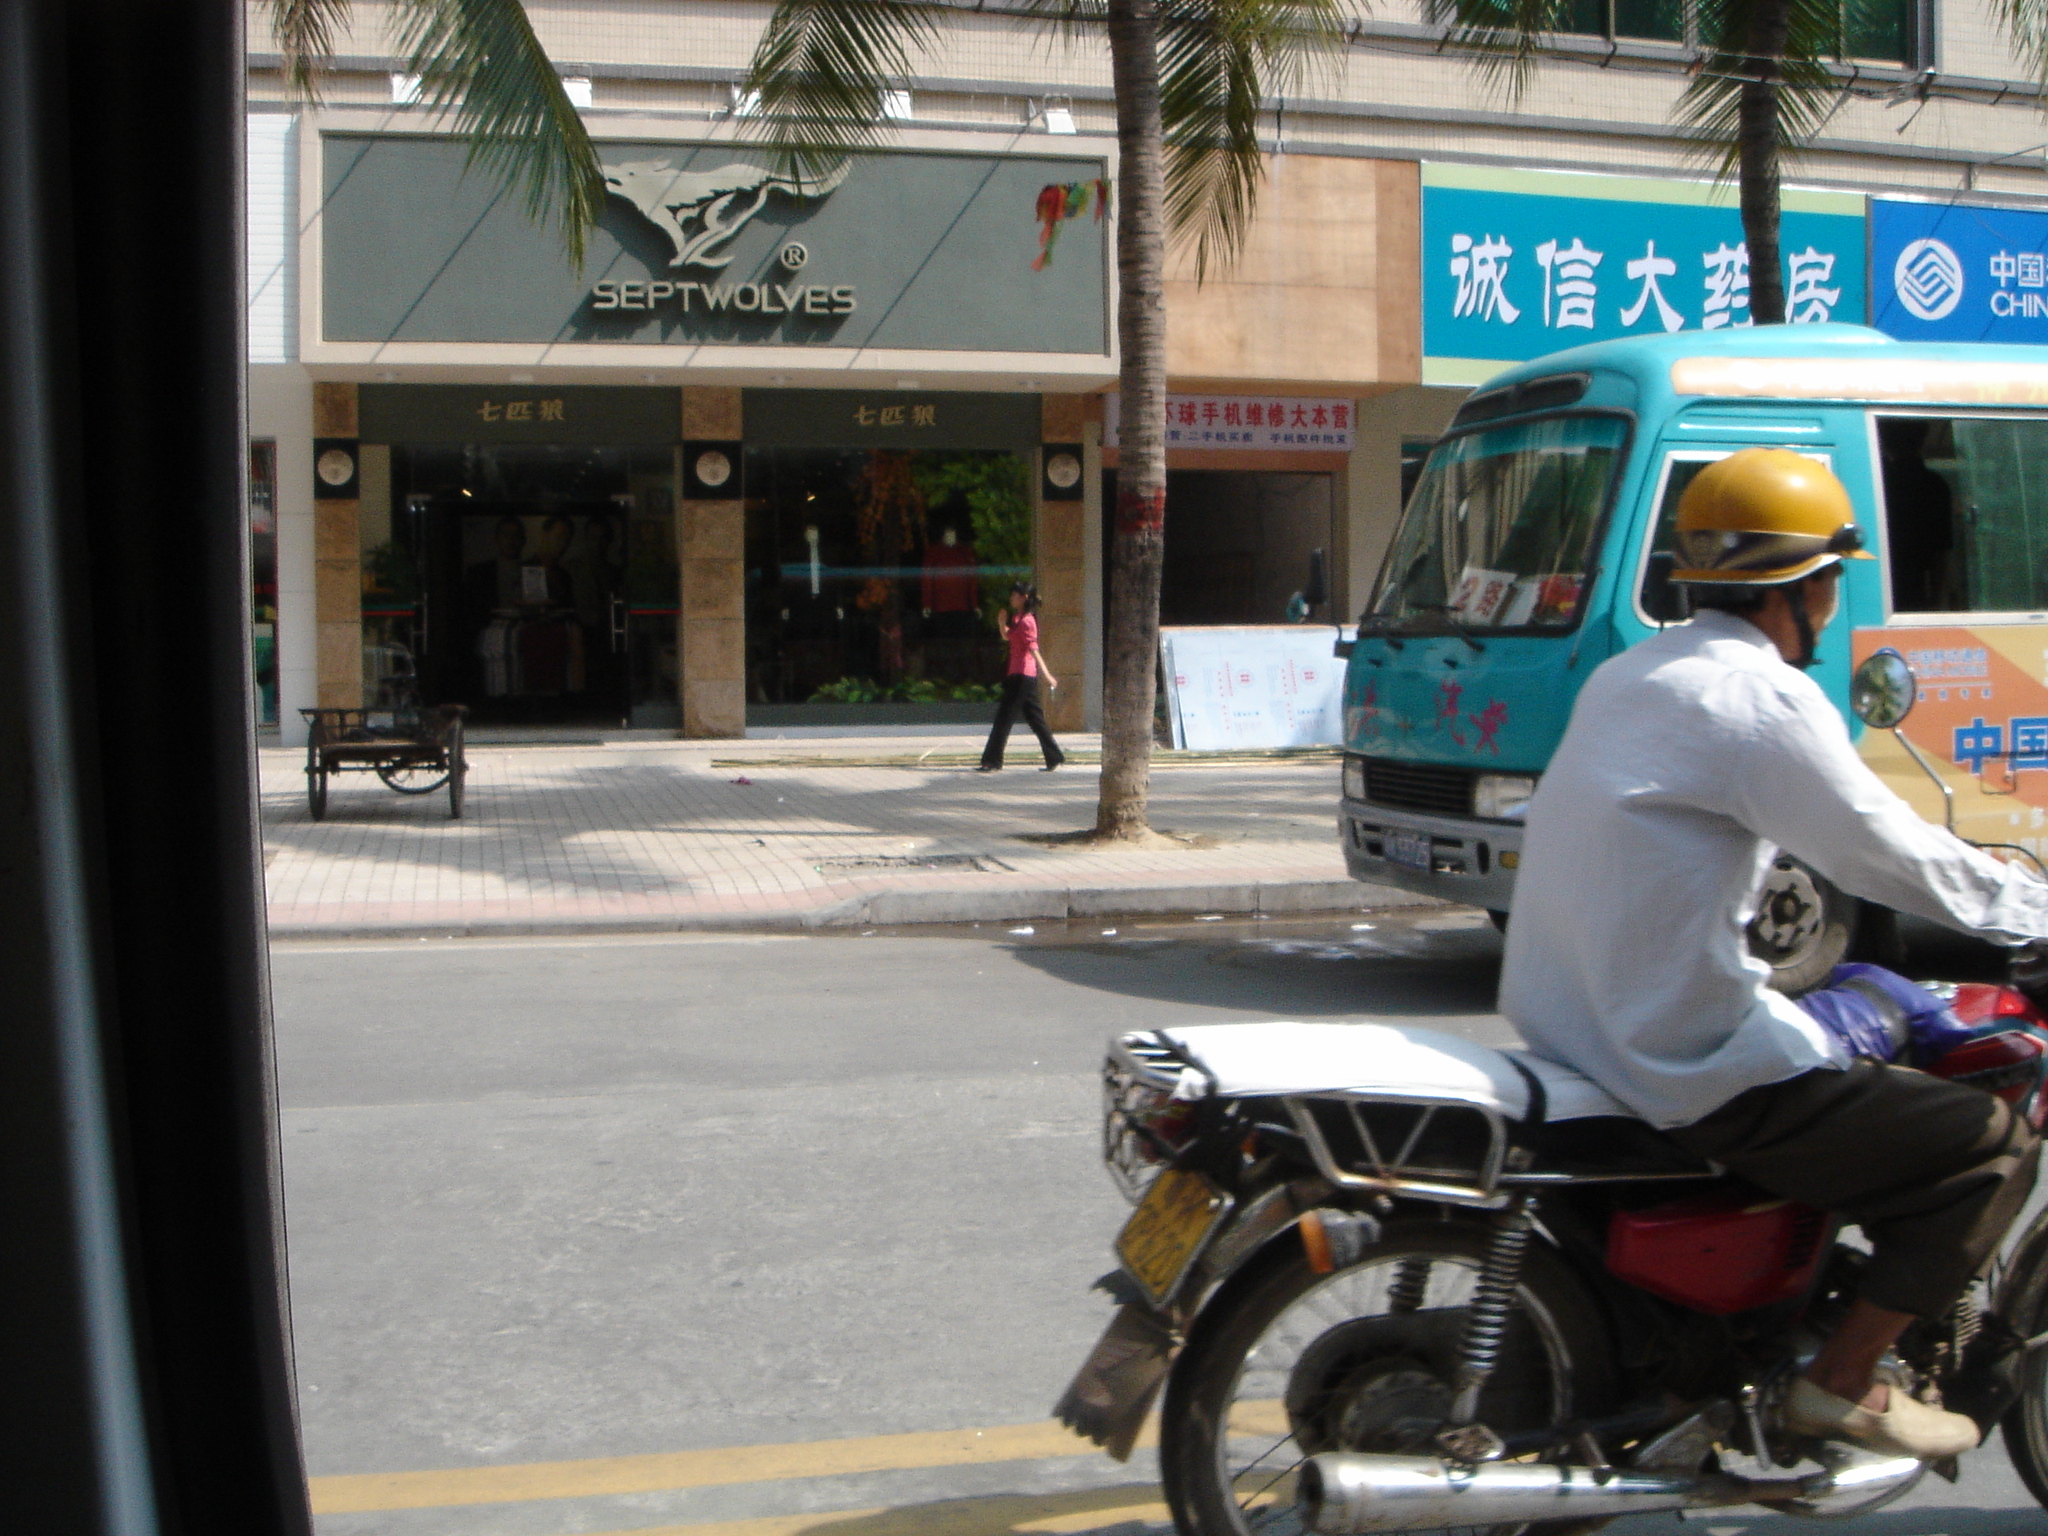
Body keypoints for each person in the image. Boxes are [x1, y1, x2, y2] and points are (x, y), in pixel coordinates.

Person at [1500, 447, 2048, 1460]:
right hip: (1678, 1055)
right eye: (1831, 579)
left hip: (1569, 1027)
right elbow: (1877, 849)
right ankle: (1841, 1382)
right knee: (1985, 1147)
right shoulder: (1758, 698)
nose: (1832, 604)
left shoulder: (1631, 674)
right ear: (1798, 586)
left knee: (1855, 1015)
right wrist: (2029, 907)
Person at [978, 581, 1064, 772]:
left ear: (1024, 598)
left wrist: (1047, 675)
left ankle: (992, 760)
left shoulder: (1027, 621)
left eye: (1014, 595)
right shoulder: (1018, 618)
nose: (1011, 598)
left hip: (1022, 675)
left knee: (1004, 718)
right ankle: (1054, 757)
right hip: (1017, 674)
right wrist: (1002, 622)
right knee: (1035, 719)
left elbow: (1034, 649)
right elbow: (1007, 637)